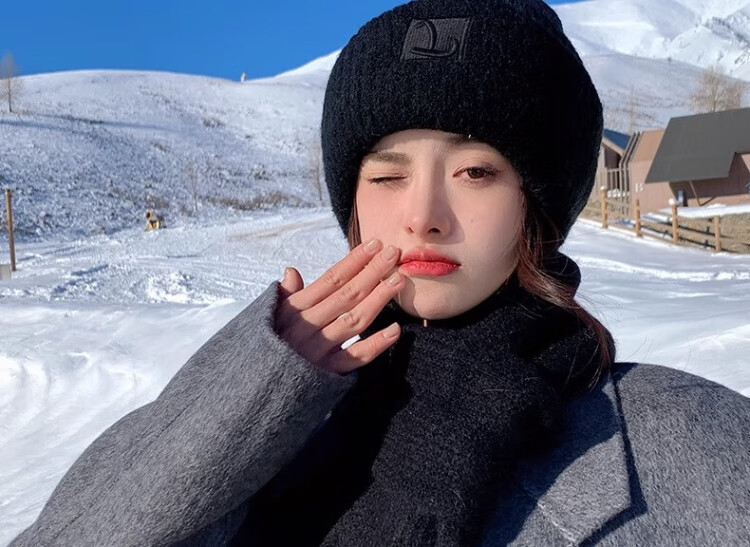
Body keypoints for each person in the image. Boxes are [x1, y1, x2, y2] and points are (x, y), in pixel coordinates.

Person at [10, 0, 750, 546]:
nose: (423, 216)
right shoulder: (273, 422)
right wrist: (246, 393)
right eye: (387, 176)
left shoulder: (689, 437)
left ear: (539, 201)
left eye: (475, 171)